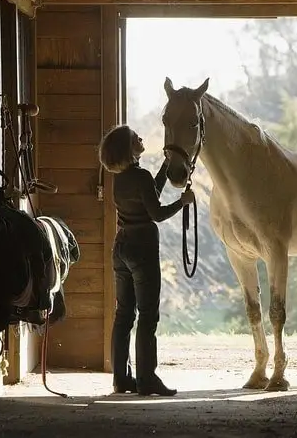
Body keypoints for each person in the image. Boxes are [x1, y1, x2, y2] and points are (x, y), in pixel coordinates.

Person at [98, 124, 194, 396]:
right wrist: (183, 202)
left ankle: (121, 378)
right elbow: (157, 213)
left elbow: (150, 192)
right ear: (129, 148)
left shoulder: (123, 178)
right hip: (142, 248)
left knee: (124, 315)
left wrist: (165, 166)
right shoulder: (139, 177)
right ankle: (147, 378)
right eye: (135, 138)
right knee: (148, 315)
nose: (140, 138)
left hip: (122, 247)